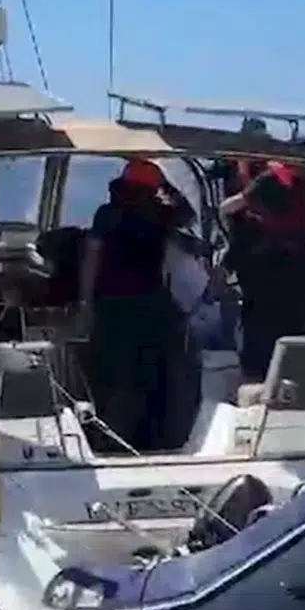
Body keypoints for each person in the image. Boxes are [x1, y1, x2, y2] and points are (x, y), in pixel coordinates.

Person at [79, 159, 190, 451]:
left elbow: (92, 257)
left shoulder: (106, 214)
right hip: (150, 303)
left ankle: (110, 441)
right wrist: (168, 187)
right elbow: (187, 215)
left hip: (111, 304)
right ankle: (152, 440)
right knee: (150, 374)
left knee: (114, 375)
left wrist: (85, 302)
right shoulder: (161, 213)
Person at [221, 160, 305, 382]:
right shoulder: (299, 244)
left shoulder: (246, 240)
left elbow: (218, 278)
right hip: (303, 336)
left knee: (258, 388)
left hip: (260, 337)